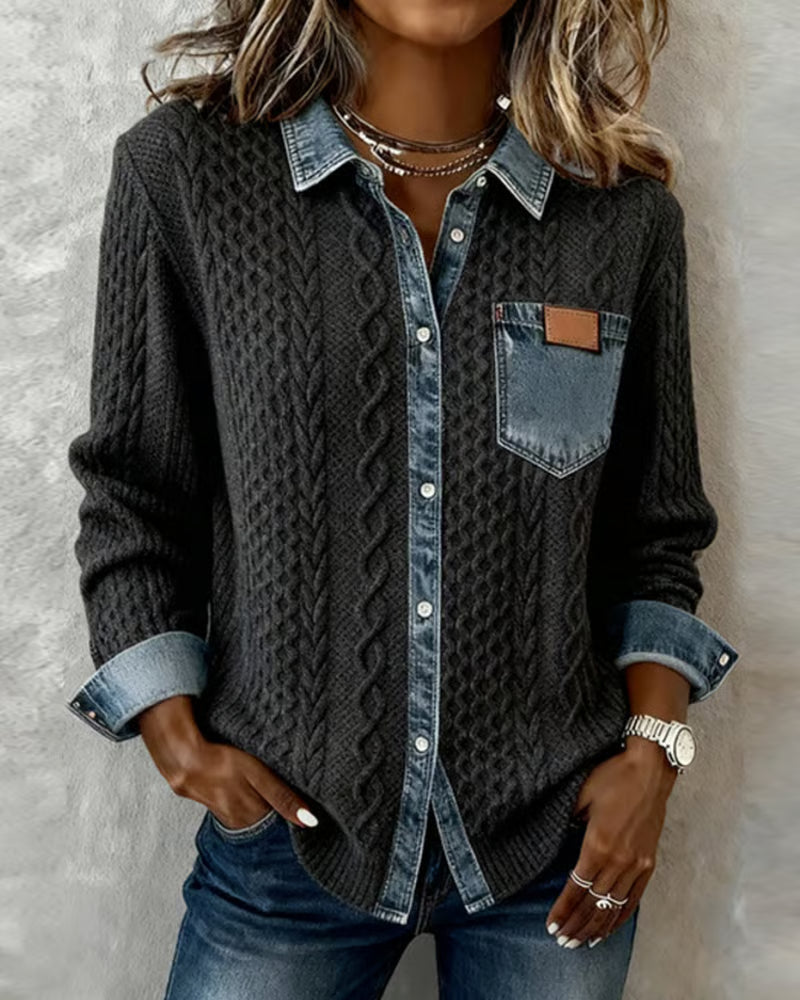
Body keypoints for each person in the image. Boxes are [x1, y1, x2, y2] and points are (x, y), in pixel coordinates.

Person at [65, 1, 740, 997]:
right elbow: (133, 489)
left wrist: (653, 754)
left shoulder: (618, 214)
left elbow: (654, 532)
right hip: (286, 845)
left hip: (556, 847)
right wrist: (175, 735)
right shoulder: (188, 173)